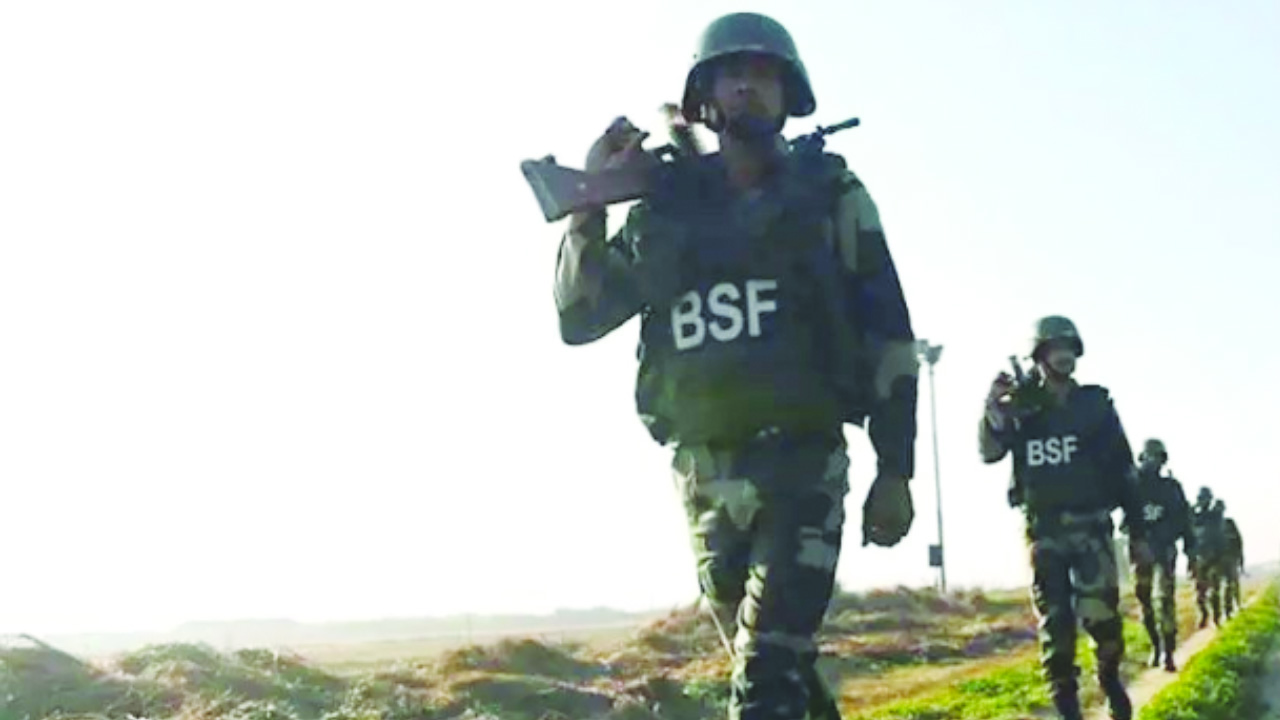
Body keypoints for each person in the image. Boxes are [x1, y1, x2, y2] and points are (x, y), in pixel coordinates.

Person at [551, 11, 920, 720]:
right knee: (781, 674)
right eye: (732, 76)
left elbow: (889, 335)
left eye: (764, 76)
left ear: (789, 96)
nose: (748, 86)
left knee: (764, 677)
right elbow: (579, 318)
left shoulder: (829, 195)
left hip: (803, 467)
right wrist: (588, 206)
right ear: (705, 99)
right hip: (704, 476)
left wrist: (895, 469)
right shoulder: (664, 210)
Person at [978, 315, 1149, 720]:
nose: (1064, 356)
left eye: (1070, 348)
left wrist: (1138, 531)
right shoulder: (1022, 406)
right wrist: (993, 410)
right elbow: (989, 452)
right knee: (1055, 626)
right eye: (1056, 348)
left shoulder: (1095, 405)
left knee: (1102, 618)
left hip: (1092, 525)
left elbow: (1124, 469)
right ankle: (1067, 707)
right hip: (1044, 530)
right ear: (1040, 354)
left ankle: (1109, 679)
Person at [1127, 438, 1195, 671]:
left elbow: (1185, 520)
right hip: (1140, 550)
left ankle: (1168, 651)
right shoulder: (1132, 484)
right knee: (1145, 601)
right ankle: (1156, 646)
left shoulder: (1171, 487)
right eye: (1150, 456)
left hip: (1164, 549)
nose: (1153, 461)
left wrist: (1190, 549)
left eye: (1157, 457)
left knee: (1165, 600)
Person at [1190, 487, 1225, 627]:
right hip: (1198, 557)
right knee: (1200, 592)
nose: (1203, 501)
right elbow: (1187, 519)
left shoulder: (1214, 515)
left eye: (1205, 499)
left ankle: (1216, 618)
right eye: (1201, 498)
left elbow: (1220, 511)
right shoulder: (1195, 516)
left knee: (1214, 590)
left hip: (1214, 556)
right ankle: (1204, 615)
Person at [1215, 499, 1244, 618]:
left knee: (1231, 584)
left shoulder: (1229, 522)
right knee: (1223, 586)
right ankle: (1225, 612)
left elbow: (1239, 541)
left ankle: (1231, 608)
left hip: (1230, 558)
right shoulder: (1213, 525)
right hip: (1219, 559)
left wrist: (1240, 558)